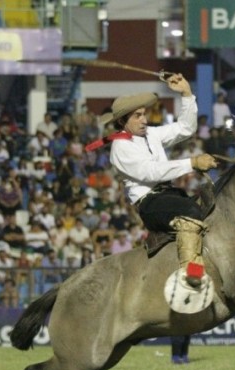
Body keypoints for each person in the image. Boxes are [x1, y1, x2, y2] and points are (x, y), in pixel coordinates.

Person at [91, 74, 217, 288]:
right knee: (191, 212)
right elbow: (150, 172)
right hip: (150, 203)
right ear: (123, 121)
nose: (144, 119)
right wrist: (192, 162)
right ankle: (191, 273)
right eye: (138, 116)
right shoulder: (120, 147)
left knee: (209, 203)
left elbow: (185, 128)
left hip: (168, 195)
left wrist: (186, 93)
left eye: (144, 114)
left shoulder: (151, 134)